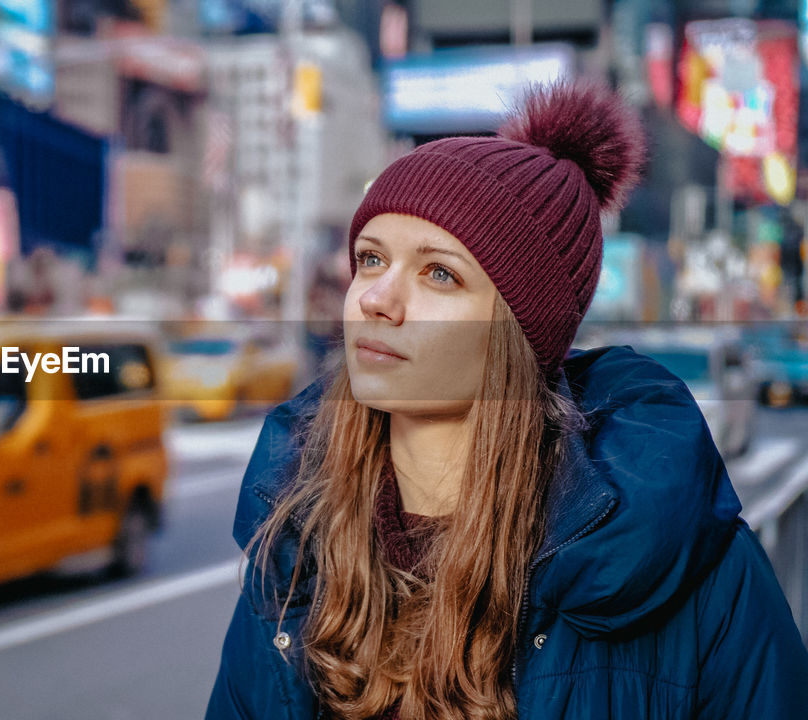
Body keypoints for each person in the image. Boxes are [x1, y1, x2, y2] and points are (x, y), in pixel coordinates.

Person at [206, 80, 808, 720]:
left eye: (439, 273)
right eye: (371, 259)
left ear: (521, 333)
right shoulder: (295, 553)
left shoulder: (693, 572)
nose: (377, 297)